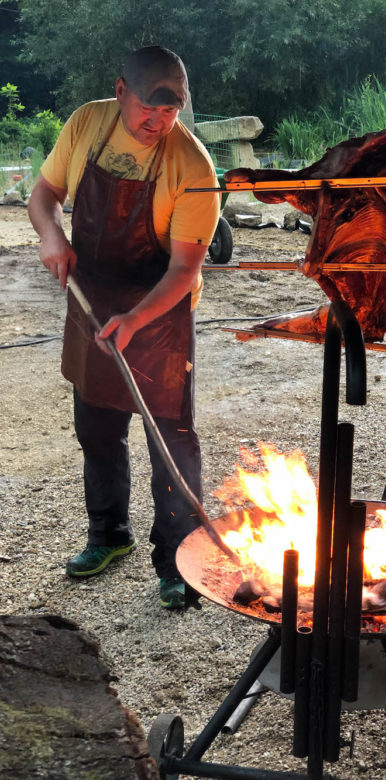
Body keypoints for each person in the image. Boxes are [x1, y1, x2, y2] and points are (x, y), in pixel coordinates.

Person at [28, 46, 220, 609]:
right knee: (97, 426)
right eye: (148, 107)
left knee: (171, 442)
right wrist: (50, 235)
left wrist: (135, 318)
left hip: (157, 315)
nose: (159, 121)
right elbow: (45, 195)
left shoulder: (193, 167)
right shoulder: (87, 124)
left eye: (172, 110)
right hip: (92, 302)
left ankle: (178, 560)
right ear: (120, 91)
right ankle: (108, 534)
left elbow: (185, 269)